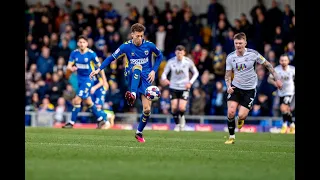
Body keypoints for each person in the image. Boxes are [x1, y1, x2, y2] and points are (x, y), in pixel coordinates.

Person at [90, 23, 163, 142]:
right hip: (131, 74)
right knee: (137, 67)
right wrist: (98, 69)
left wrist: (154, 71)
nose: (139, 38)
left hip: (146, 80)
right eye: (137, 35)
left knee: (147, 110)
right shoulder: (125, 46)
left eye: (141, 36)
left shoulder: (149, 45)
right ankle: (132, 94)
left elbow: (160, 56)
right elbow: (111, 58)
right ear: (132, 34)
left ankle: (139, 132)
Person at [224, 32, 282, 144]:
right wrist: (228, 86)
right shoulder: (230, 57)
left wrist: (277, 78)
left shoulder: (253, 54)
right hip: (236, 87)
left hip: (250, 89)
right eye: (236, 43)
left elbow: (268, 65)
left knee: (241, 115)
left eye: (240, 43)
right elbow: (227, 74)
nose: (238, 45)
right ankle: (231, 137)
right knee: (231, 111)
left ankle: (241, 119)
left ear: (245, 43)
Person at [62, 35, 108, 129]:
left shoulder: (91, 54)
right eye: (80, 42)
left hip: (89, 79)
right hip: (79, 80)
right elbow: (68, 67)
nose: (82, 44)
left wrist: (104, 80)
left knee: (77, 99)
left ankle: (71, 122)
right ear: (78, 43)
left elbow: (100, 67)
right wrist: (71, 69)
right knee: (88, 101)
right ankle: (100, 119)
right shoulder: (74, 53)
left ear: (87, 43)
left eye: (84, 42)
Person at [160, 45, 199, 131]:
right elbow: (164, 73)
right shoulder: (171, 62)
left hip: (184, 87)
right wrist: (165, 79)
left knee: (181, 108)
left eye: (181, 53)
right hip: (173, 86)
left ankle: (182, 122)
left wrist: (190, 83)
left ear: (184, 53)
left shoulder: (188, 62)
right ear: (175, 53)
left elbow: (196, 73)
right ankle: (178, 124)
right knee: (174, 108)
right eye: (178, 53)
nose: (179, 54)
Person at [268, 54, 295, 134]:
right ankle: (292, 125)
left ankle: (284, 125)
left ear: (288, 61)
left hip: (290, 92)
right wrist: (275, 83)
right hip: (281, 93)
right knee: (285, 110)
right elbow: (269, 79)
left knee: (283, 108)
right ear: (279, 61)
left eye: (285, 60)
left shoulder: (292, 69)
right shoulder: (276, 69)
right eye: (282, 60)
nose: (283, 62)